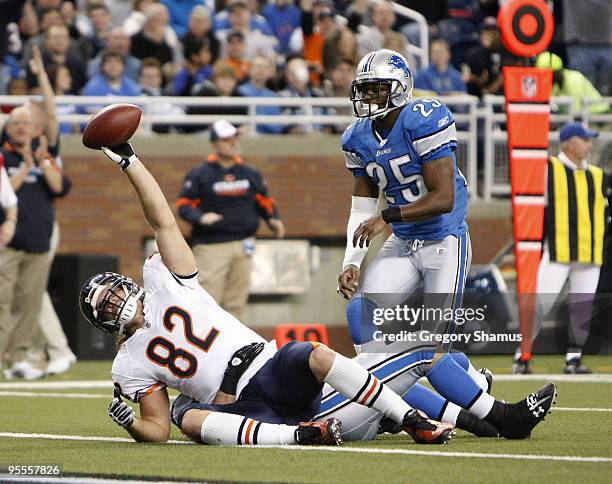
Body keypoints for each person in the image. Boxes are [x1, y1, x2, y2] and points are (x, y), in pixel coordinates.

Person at [80, 140, 554, 445]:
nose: (114, 303)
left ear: (126, 283)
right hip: (252, 408)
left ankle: (481, 413)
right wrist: (131, 423)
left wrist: (130, 159)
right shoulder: (128, 364)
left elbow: (162, 217)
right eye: (103, 307)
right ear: (101, 322)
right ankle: (318, 434)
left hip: (273, 367)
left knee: (401, 353)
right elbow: (159, 428)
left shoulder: (164, 280)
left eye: (110, 294)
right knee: (192, 423)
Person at [513, 122, 609, 375]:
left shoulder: (598, 175)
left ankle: (574, 358)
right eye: (585, 139)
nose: (589, 144)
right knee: (540, 303)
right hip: (558, 250)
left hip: (589, 252)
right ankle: (521, 355)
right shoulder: (549, 168)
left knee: (583, 306)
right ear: (569, 143)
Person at [176, 120, 284, 321]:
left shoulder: (249, 173)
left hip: (244, 244)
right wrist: (201, 217)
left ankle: (233, 349)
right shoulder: (201, 173)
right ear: (214, 143)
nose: (232, 142)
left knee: (236, 303)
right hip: (212, 247)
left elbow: (264, 200)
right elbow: (183, 205)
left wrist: (273, 219)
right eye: (226, 139)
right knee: (207, 301)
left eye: (234, 137)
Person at [0, 106, 71, 379]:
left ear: (34, 128)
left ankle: (19, 358)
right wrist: (26, 166)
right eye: (15, 122)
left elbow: (60, 188)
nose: (20, 127)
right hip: (7, 243)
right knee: (2, 302)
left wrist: (40, 161)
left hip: (38, 242)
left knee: (29, 305)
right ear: (7, 128)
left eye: (25, 123)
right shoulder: (3, 157)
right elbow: (5, 194)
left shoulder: (46, 156)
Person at [534, 52, 609, 115]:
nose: (545, 79)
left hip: (599, 115)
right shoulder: (554, 85)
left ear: (558, 72)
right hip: (581, 116)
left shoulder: (574, 79)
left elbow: (576, 113)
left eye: (548, 75)